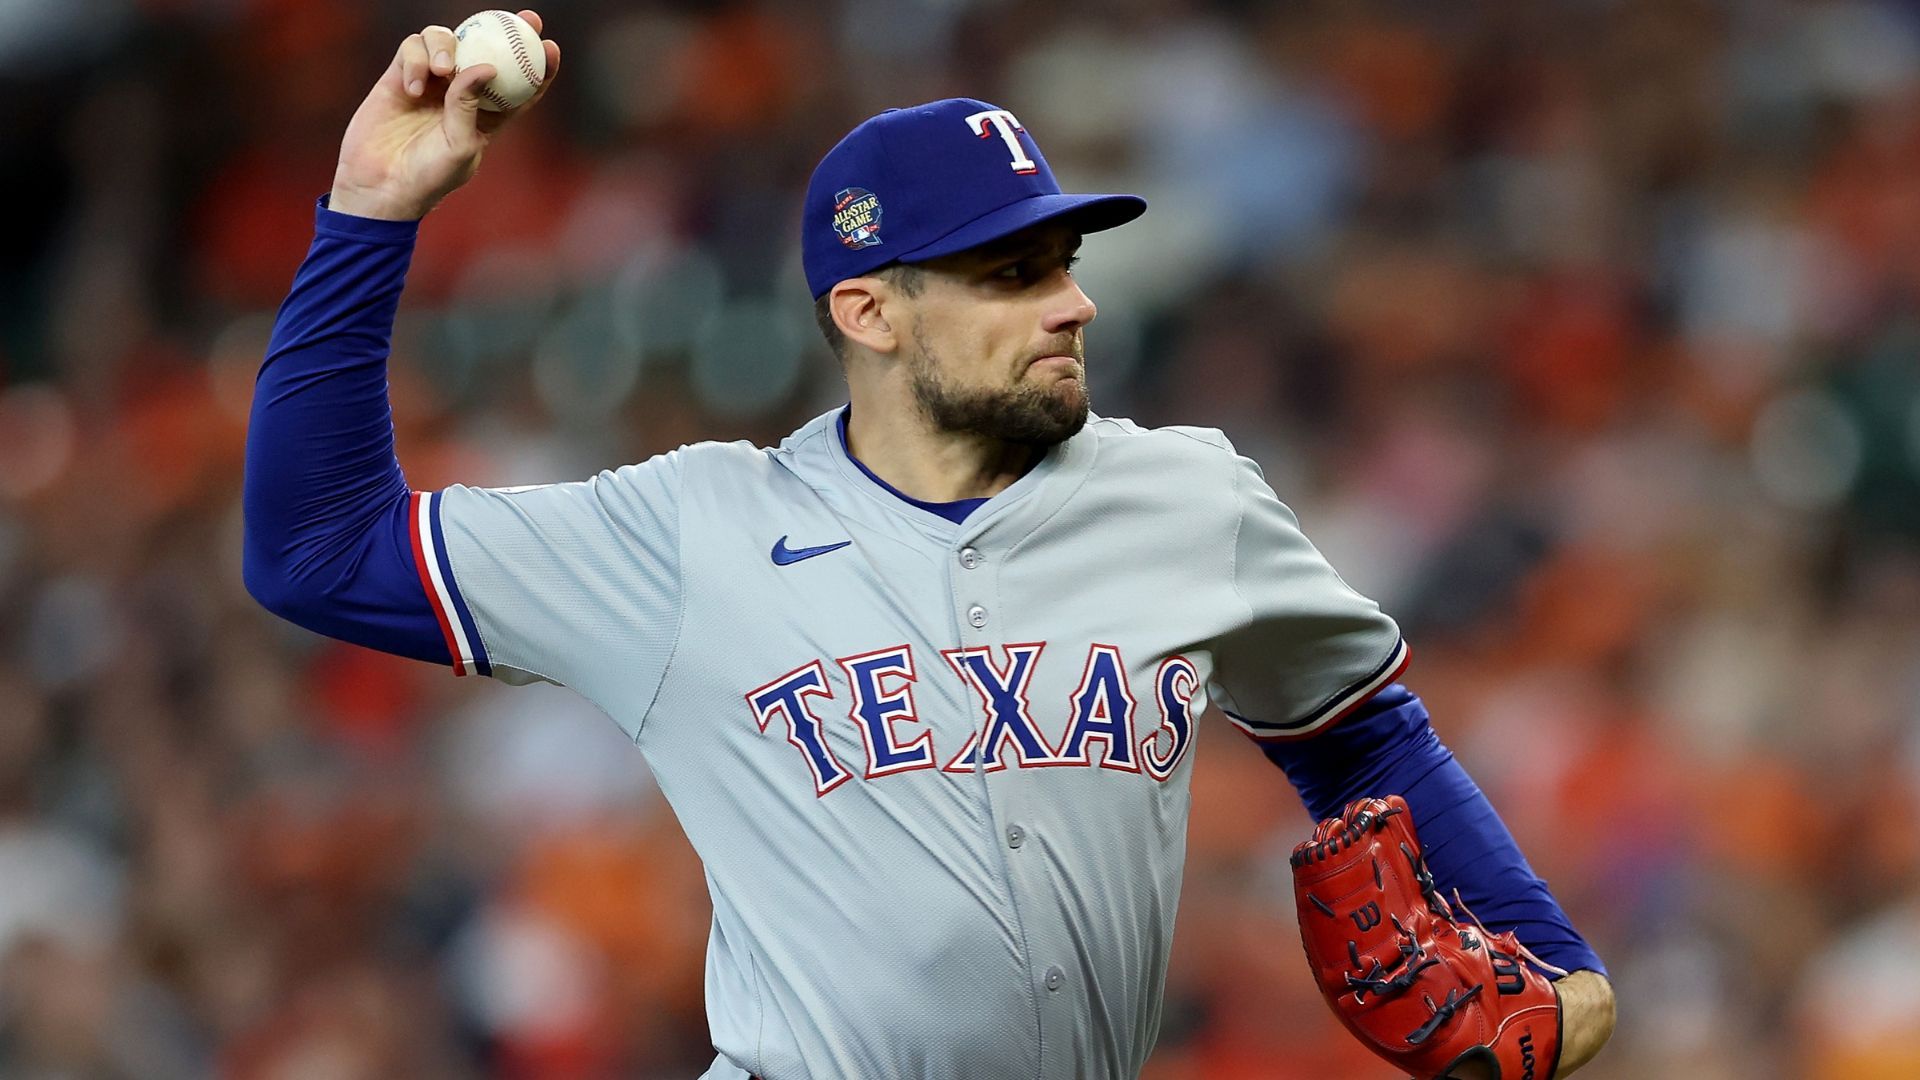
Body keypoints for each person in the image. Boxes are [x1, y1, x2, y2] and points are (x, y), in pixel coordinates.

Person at [243, 11, 1616, 1078]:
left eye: (1066, 263)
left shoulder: (1191, 499)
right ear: (870, 311)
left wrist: (1556, 964)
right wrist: (371, 214)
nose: (1071, 304)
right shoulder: (692, 529)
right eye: (1012, 275)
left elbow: (1362, 736)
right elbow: (316, 548)